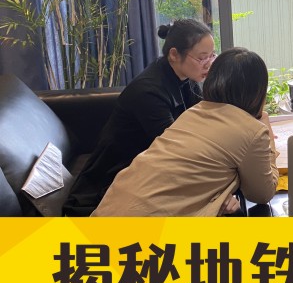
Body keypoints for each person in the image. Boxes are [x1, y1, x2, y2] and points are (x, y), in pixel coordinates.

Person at [91, 48, 279, 216]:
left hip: (105, 213)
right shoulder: (251, 130)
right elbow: (263, 193)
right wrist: (265, 126)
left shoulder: (193, 112)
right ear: (257, 91)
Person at [63, 19, 215, 216]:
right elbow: (174, 149)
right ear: (174, 55)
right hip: (116, 177)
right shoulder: (148, 92)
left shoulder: (186, 78)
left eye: (212, 55)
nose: (208, 64)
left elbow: (203, 123)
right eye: (202, 58)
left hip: (150, 165)